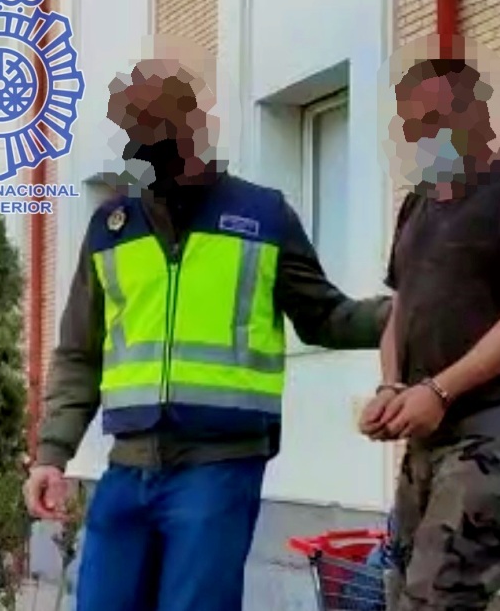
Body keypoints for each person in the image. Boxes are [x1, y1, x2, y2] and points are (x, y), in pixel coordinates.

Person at [21, 58, 390, 611]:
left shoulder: (262, 215)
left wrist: (414, 314)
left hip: (218, 468)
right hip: (126, 468)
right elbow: (79, 353)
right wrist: (52, 453)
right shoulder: (110, 227)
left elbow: (325, 316)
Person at [357, 56, 500, 610]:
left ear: (476, 115)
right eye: (412, 125)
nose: (422, 136)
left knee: (441, 596)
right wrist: (390, 387)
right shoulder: (418, 203)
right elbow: (400, 310)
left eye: (435, 118)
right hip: (426, 434)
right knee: (401, 590)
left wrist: (439, 390)